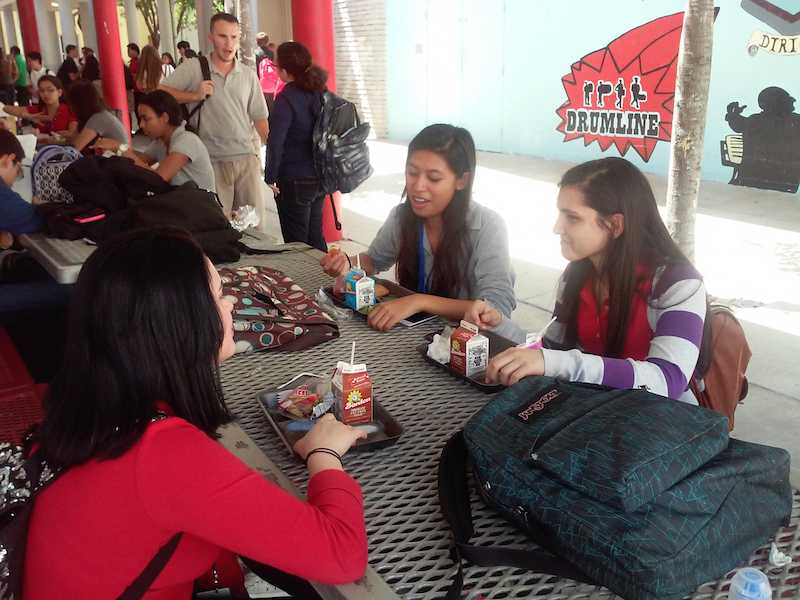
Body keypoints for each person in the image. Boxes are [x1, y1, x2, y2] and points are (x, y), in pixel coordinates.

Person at [23, 227, 368, 597]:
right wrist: (324, 454)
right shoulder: (162, 455)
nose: (231, 303)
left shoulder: (91, 406)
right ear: (178, 323)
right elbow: (341, 555)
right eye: (219, 294)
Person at [469, 157, 706, 403]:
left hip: (662, 424)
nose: (557, 227)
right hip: (596, 412)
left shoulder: (677, 283)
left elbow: (666, 381)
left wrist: (554, 361)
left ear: (614, 225)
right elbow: (552, 351)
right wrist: (498, 325)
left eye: (571, 218)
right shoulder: (575, 276)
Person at [320, 124, 517, 331]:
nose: (418, 185)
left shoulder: (488, 227)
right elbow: (374, 259)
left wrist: (418, 301)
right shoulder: (401, 217)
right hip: (416, 336)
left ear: (462, 180)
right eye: (412, 173)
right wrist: (345, 263)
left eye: (433, 178)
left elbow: (496, 307)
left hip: (467, 345)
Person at [161, 12, 269, 221]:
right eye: (222, 36)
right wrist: (194, 95)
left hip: (246, 159)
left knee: (254, 227)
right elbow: (159, 93)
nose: (229, 44)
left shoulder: (248, 74)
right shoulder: (194, 68)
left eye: (234, 37)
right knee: (217, 225)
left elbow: (259, 118)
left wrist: (275, 162)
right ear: (211, 38)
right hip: (210, 162)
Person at [265, 41, 329, 251]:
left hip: (294, 180)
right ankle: (326, 281)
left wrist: (270, 176)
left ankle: (303, 282)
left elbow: (276, 142)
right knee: (315, 236)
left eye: (275, 67)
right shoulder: (319, 91)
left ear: (284, 71)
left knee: (296, 244)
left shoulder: (287, 98)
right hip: (319, 176)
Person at [95, 90, 216, 191]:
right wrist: (114, 150)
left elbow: (158, 178)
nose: (141, 125)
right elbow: (139, 160)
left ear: (164, 118)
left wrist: (120, 148)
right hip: (183, 206)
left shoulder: (187, 140)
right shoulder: (161, 142)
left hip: (201, 212)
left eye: (146, 119)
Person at [2, 75, 78, 141]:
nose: (45, 94)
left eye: (50, 90)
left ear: (59, 92)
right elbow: (6, 108)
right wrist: (28, 116)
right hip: (42, 151)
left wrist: (60, 137)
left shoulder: (69, 110)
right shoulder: (39, 110)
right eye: (42, 91)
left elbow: (72, 136)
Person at [65, 80, 129, 152]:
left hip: (118, 160)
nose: (70, 107)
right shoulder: (96, 115)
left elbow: (75, 149)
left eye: (71, 103)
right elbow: (76, 140)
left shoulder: (98, 118)